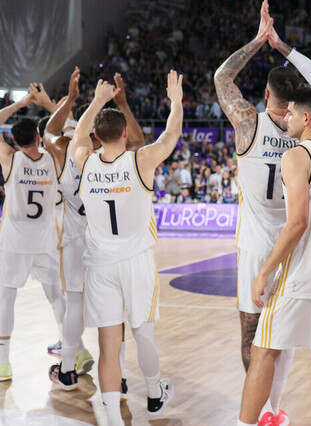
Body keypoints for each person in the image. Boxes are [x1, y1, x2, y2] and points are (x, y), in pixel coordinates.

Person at [238, 88, 311, 426]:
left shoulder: (297, 155)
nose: (285, 118)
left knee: (262, 351)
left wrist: (264, 271)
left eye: (289, 113)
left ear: (306, 119)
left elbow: (298, 222)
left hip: (305, 274)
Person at [72, 72, 183, 425]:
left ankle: (113, 420)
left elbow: (77, 135)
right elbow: (171, 135)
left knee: (108, 345)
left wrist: (96, 100)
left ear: (96, 136)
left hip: (100, 265)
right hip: (136, 261)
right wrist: (176, 101)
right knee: (142, 332)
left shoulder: (84, 161)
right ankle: (153, 395)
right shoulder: (141, 160)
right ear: (124, 133)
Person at [214, 0, 301, 426]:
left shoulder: (249, 123)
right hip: (293, 246)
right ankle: (274, 408)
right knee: (281, 335)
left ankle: (261, 413)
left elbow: (222, 77)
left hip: (254, 248)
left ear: (266, 94)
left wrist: (258, 39)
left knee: (251, 334)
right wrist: (283, 46)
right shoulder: (307, 132)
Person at [44, 69, 145, 391]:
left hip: (75, 241)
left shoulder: (64, 153)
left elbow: (49, 130)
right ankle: (121, 378)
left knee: (74, 305)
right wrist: (123, 103)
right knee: (115, 315)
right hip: (106, 243)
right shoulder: (120, 158)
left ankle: (68, 370)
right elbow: (139, 140)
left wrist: (75, 98)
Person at [0, 91, 61, 382]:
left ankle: (3, 363)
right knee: (56, 296)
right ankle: (76, 348)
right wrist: (48, 105)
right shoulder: (53, 159)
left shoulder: (9, 158)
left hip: (15, 240)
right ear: (38, 138)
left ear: (14, 141)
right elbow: (67, 128)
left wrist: (20, 103)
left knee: (6, 298)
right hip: (45, 238)